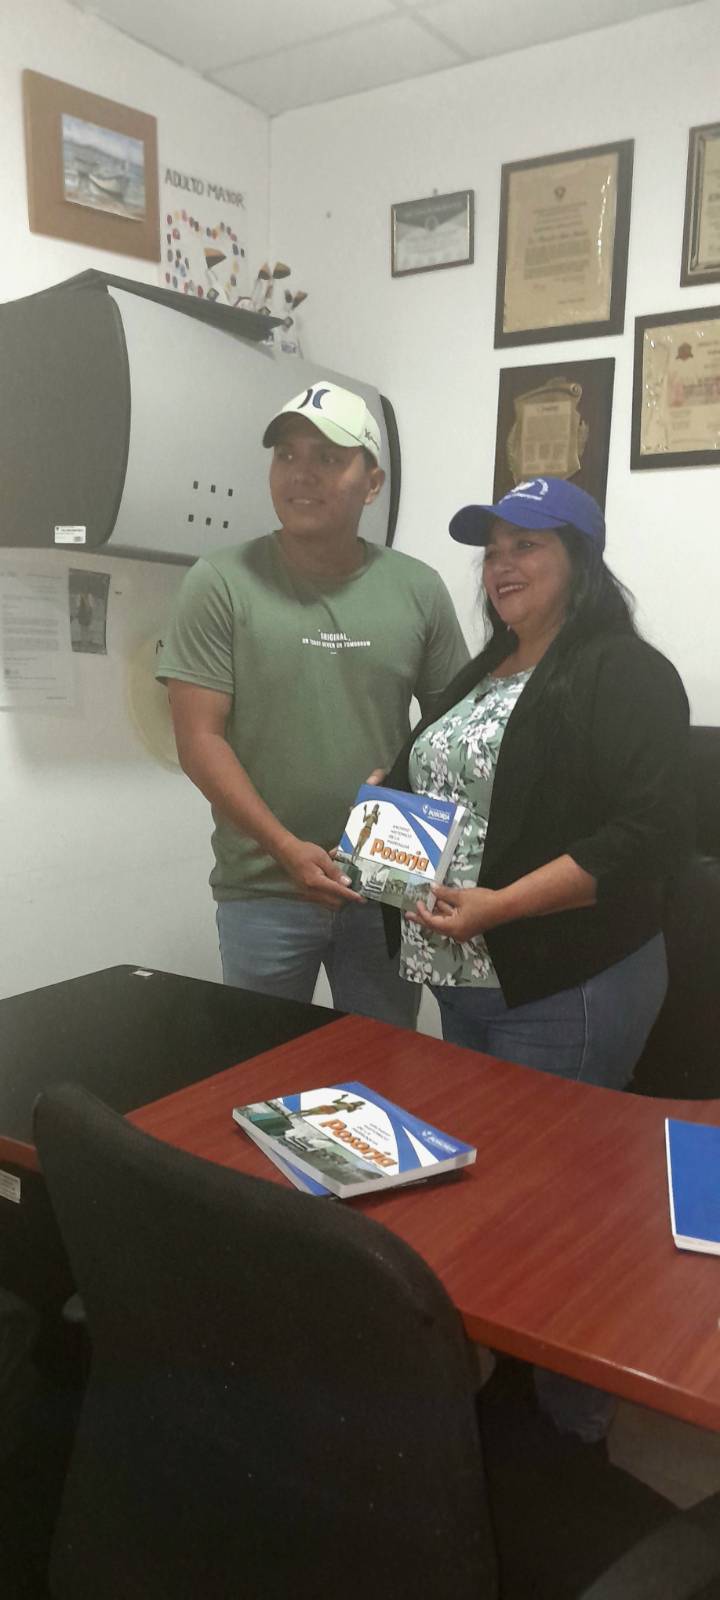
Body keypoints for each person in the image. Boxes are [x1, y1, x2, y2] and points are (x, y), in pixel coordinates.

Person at [382, 475, 692, 1440]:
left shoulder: (624, 671)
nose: (502, 565)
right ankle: (502, 1370)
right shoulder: (486, 669)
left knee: (567, 1206)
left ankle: (570, 1418)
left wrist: (503, 906)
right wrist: (389, 797)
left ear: (581, 562)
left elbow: (647, 834)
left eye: (529, 546)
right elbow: (458, 788)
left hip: (568, 977)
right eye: (493, 549)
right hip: (466, 977)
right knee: (490, 1192)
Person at [157, 380, 468, 1026]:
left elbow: (455, 736)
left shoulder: (418, 589)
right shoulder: (220, 582)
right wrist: (284, 847)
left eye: (328, 458)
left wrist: (409, 790)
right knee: (261, 1064)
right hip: (263, 887)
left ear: (372, 483)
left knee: (379, 1066)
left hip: (384, 883)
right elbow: (199, 740)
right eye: (287, 455)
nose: (302, 473)